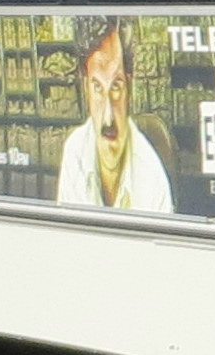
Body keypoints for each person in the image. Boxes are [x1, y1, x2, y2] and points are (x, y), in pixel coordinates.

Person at [57, 19, 174, 211]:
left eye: (116, 87)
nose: (108, 118)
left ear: (130, 87)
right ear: (85, 88)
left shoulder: (152, 177)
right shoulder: (75, 149)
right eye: (97, 88)